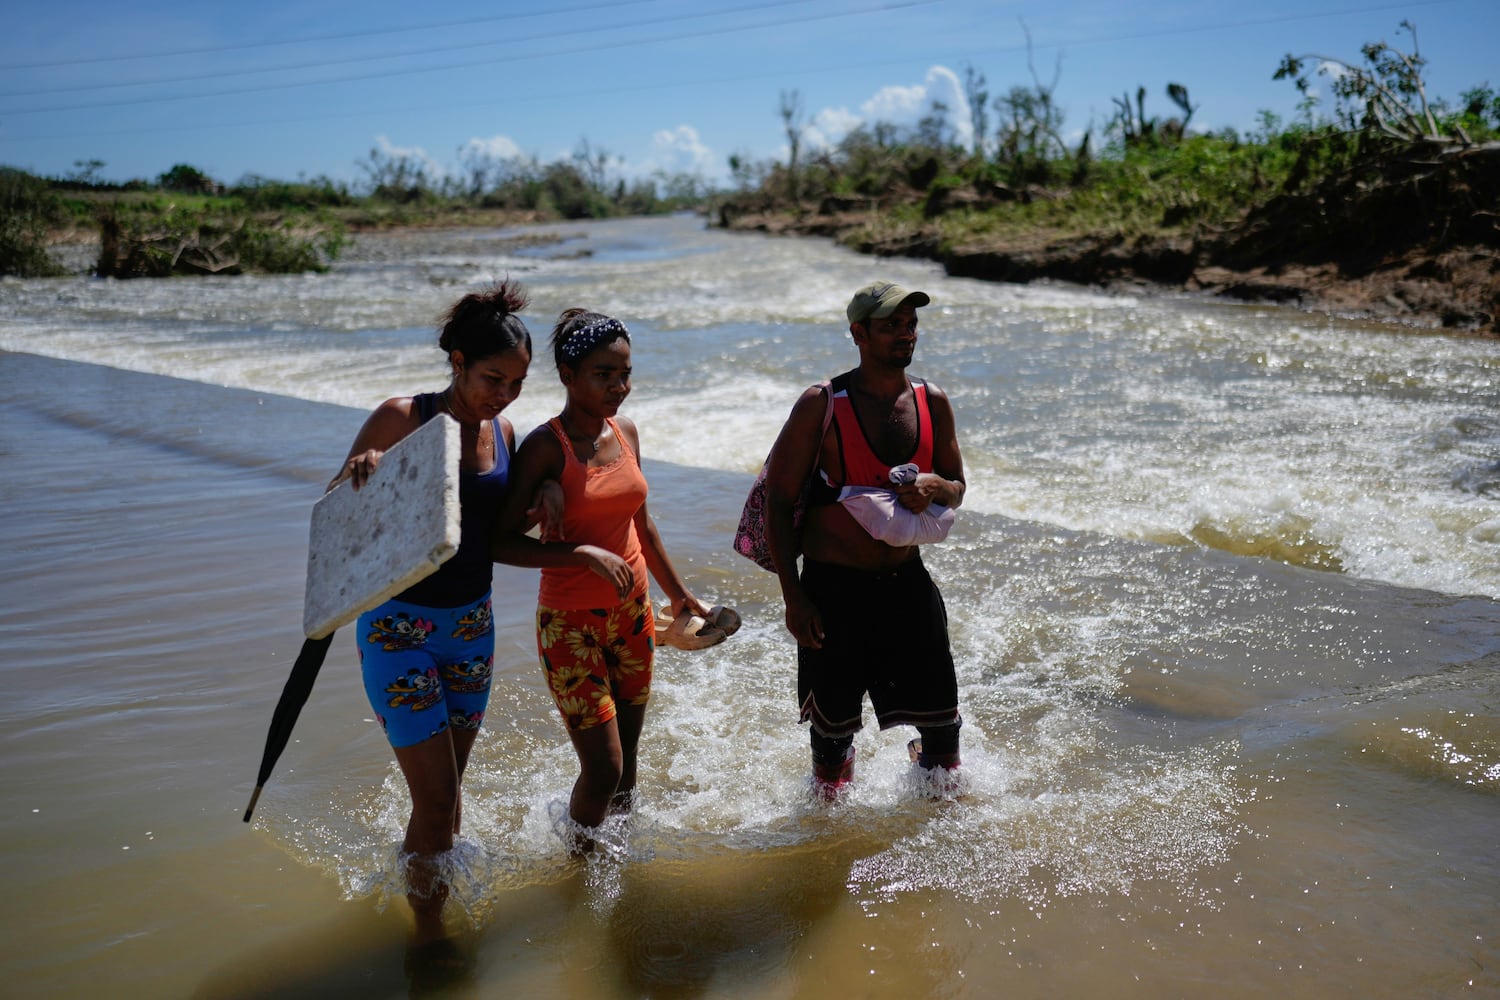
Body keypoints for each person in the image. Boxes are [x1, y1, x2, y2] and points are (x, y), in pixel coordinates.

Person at [327, 278, 552, 953]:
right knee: (434, 802)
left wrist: (543, 491)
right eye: (492, 379)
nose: (504, 395)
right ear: (457, 362)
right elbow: (334, 522)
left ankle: (429, 900)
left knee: (448, 800)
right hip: (399, 632)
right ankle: (429, 934)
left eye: (517, 383)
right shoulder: (403, 417)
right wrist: (365, 471)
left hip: (471, 631)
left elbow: (494, 531)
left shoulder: (503, 432)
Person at [489, 307, 711, 846]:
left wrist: (680, 595)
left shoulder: (625, 431)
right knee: (604, 768)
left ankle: (617, 861)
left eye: (624, 374)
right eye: (604, 374)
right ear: (568, 375)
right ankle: (581, 864)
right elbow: (500, 542)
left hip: (633, 614)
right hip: (570, 626)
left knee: (627, 763)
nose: (619, 387)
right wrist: (581, 554)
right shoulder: (546, 447)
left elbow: (642, 523)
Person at [762, 280, 968, 798]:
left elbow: (958, 488)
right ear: (858, 333)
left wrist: (935, 486)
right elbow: (778, 502)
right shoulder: (822, 404)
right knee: (831, 747)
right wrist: (794, 598)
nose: (906, 334)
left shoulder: (931, 401)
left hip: (907, 584)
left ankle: (935, 828)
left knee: (943, 734)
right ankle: (831, 831)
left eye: (911, 324)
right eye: (890, 325)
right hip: (833, 593)